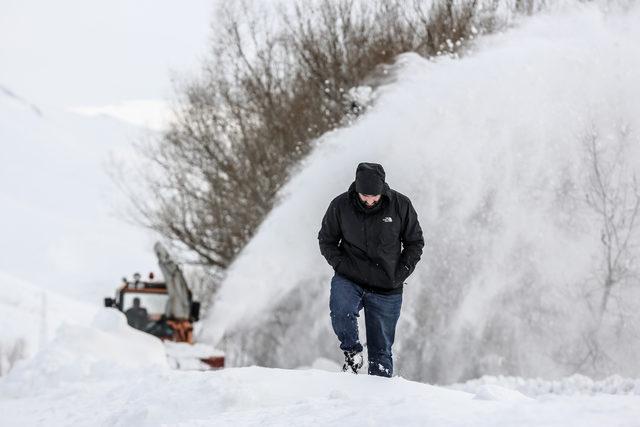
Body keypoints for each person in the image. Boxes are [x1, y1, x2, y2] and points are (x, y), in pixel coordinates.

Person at [318, 162, 424, 377]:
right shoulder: (340, 206)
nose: (369, 201)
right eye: (364, 196)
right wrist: (341, 265)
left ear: (382, 189)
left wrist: (400, 272)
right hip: (350, 277)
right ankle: (352, 352)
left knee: (381, 352)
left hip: (387, 286)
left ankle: (378, 401)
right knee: (341, 311)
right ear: (356, 189)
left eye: (373, 196)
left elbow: (415, 243)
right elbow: (326, 240)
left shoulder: (400, 205)